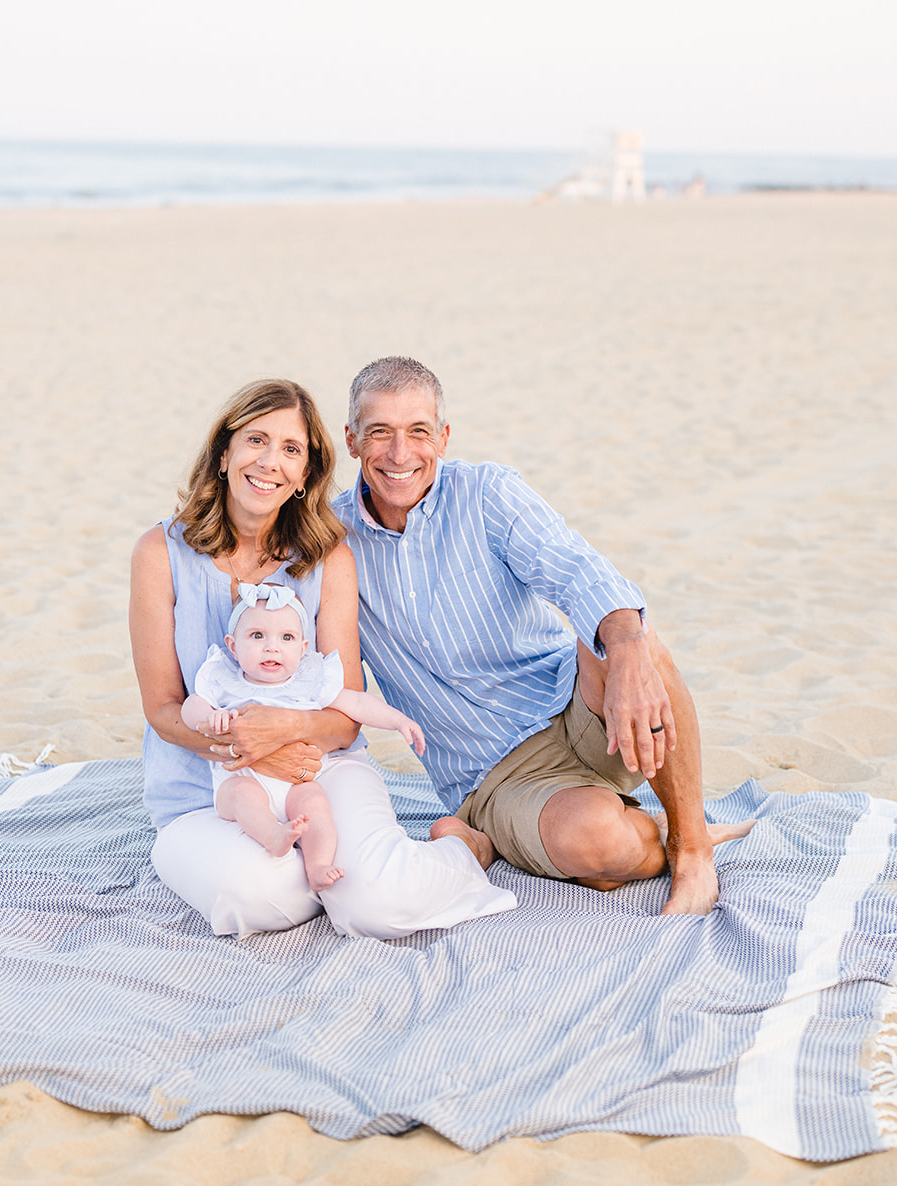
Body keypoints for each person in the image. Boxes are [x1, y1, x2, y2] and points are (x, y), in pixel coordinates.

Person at [335, 356, 754, 917]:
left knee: (632, 633)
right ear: (351, 441)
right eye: (379, 432)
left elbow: (579, 572)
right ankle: (621, 828)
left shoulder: (486, 494)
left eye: (418, 431)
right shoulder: (331, 544)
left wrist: (628, 649)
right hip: (496, 776)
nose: (400, 453)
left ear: (444, 436)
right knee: (601, 849)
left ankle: (693, 845)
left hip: (572, 702)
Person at [129, 376, 516, 937]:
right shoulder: (159, 552)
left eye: (291, 450)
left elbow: (342, 714)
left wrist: (284, 735)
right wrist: (251, 748)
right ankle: (328, 878)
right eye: (256, 440)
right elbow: (163, 708)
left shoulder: (328, 556)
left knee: (378, 905)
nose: (270, 462)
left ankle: (460, 850)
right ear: (223, 453)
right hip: (206, 790)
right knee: (258, 897)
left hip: (321, 769)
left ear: (306, 474)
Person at [182, 581, 426, 891]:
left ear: (303, 648)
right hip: (242, 779)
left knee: (315, 803)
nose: (272, 647)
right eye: (257, 636)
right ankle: (272, 835)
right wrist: (207, 717)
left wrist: (399, 721)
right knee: (242, 795)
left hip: (297, 783)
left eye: (286, 638)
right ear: (233, 646)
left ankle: (318, 864)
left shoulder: (309, 680)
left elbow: (357, 702)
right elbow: (190, 706)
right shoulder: (224, 679)